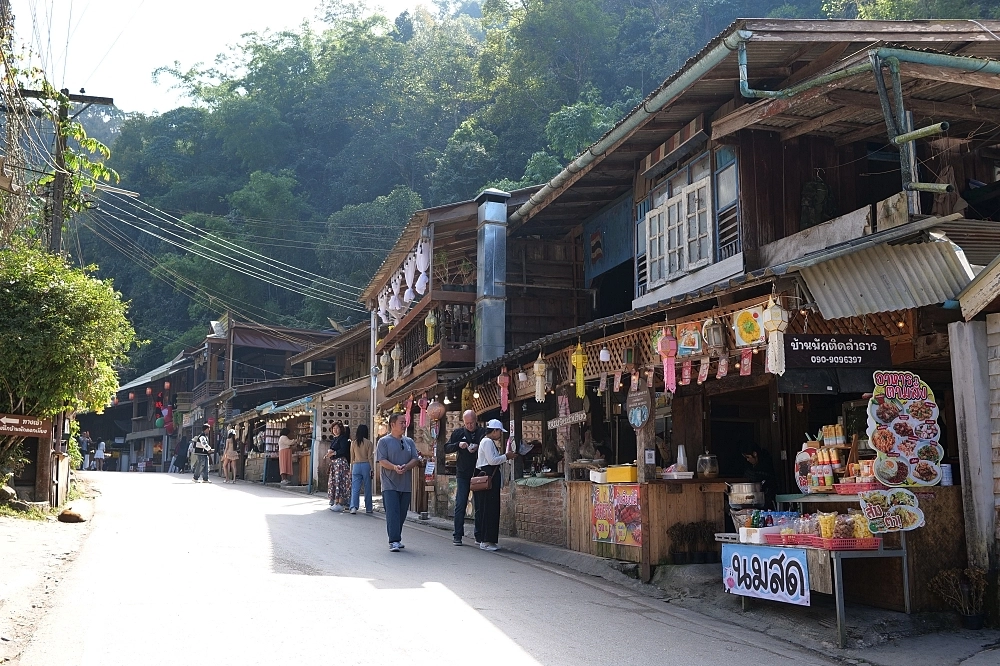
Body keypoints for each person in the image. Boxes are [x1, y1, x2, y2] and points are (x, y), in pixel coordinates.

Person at [375, 413, 421, 552]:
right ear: (392, 424)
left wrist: (406, 467)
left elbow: (415, 458)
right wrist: (394, 467)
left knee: (401, 513)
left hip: (405, 484)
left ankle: (397, 537)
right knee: (392, 512)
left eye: (405, 422)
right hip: (389, 483)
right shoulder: (383, 441)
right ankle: (394, 540)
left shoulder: (409, 442)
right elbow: (382, 460)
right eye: (401, 422)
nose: (404, 425)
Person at [473, 419, 517, 552]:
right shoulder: (487, 442)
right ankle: (486, 540)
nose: (500, 435)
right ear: (495, 430)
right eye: (499, 432)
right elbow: (492, 461)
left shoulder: (488, 442)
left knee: (488, 509)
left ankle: (487, 539)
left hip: (489, 478)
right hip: (488, 478)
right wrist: (506, 456)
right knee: (489, 510)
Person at [443, 410, 484, 546]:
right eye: (467, 423)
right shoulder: (458, 433)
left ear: (476, 421)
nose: (470, 426)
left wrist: (478, 447)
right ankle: (457, 535)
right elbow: (446, 448)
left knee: (479, 505)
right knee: (460, 504)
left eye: (472, 423)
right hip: (463, 472)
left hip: (478, 472)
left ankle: (479, 535)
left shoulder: (482, 433)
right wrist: (458, 445)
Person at [740, 441, 776, 506]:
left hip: (766, 497)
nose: (747, 460)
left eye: (748, 457)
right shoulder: (750, 466)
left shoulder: (766, 464)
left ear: (755, 454)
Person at [349, 424, 374, 515]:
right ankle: (369, 508)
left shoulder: (353, 443)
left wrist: (351, 469)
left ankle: (353, 507)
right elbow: (370, 457)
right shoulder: (369, 443)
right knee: (367, 487)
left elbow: (352, 458)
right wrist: (372, 469)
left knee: (355, 488)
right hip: (366, 465)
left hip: (356, 465)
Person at [326, 422, 351, 510]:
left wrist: (334, 453)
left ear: (341, 429)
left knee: (340, 482)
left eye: (337, 428)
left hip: (340, 463)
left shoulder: (343, 438)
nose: (335, 430)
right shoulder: (335, 439)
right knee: (335, 482)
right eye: (333, 428)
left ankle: (340, 502)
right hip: (334, 463)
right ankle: (335, 502)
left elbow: (343, 450)